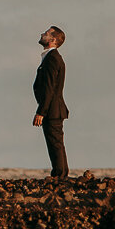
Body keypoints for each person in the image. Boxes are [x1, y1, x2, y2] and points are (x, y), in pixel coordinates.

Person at [32, 26, 69, 179]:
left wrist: (41, 112)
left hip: (52, 110)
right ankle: (60, 174)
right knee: (55, 143)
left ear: (53, 40)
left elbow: (49, 88)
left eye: (46, 33)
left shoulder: (52, 58)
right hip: (52, 109)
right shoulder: (49, 57)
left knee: (55, 143)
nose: (42, 34)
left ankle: (60, 175)